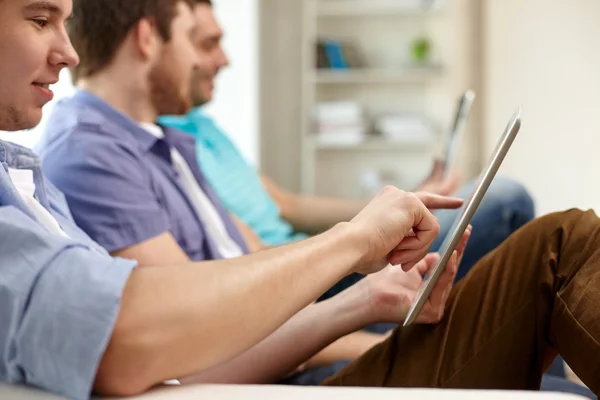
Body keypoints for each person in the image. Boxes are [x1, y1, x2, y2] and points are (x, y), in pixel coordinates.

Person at [1, 1, 598, 399]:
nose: (68, 51)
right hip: (281, 378)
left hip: (281, 353)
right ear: (146, 37)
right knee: (556, 243)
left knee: (551, 305)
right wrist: (353, 248)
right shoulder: (84, 151)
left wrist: (364, 297)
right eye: (39, 18)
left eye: (64, 21)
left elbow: (219, 298)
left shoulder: (81, 164)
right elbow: (168, 349)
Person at [158, 0, 535, 279]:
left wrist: (393, 202)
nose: (224, 60)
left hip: (317, 256)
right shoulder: (162, 148)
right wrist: (349, 246)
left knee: (484, 217)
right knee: (506, 201)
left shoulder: (203, 126)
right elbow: (248, 257)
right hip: (302, 273)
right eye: (207, 45)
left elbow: (285, 203)